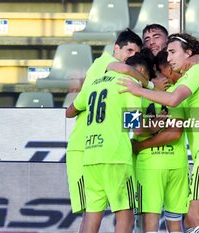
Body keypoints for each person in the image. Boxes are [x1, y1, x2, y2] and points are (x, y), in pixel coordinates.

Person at [118, 33, 199, 233]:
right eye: (165, 68)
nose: (169, 72)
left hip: (198, 154)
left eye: (172, 54)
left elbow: (173, 130)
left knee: (191, 218)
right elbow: (136, 125)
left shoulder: (182, 84)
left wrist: (141, 93)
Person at [66, 51, 155, 233]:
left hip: (91, 156)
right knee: (125, 214)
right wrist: (156, 126)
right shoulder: (128, 85)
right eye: (145, 77)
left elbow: (69, 111)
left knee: (92, 215)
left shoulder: (93, 83)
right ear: (138, 71)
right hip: (116, 158)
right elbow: (136, 127)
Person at [131, 49, 189, 232]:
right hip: (176, 163)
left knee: (150, 224)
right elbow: (175, 133)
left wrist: (142, 142)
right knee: (175, 223)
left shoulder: (135, 96)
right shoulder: (174, 95)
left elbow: (137, 129)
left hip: (149, 165)